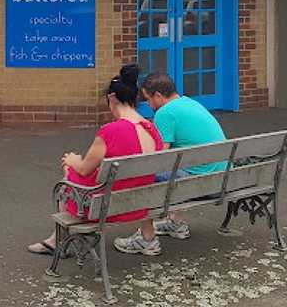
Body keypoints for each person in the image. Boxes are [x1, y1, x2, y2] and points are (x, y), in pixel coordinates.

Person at [28, 64, 165, 257]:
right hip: (140, 202)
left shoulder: (111, 131)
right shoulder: (152, 130)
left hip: (106, 206)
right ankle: (147, 236)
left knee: (70, 170)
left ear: (111, 98)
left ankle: (57, 240)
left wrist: (72, 159)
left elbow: (84, 169)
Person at [114, 72, 225, 251]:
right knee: (182, 162)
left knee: (141, 173)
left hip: (203, 183)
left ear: (158, 95)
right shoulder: (191, 103)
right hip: (222, 178)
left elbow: (159, 158)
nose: (148, 105)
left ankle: (146, 238)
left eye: (148, 99)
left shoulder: (165, 113)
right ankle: (176, 222)